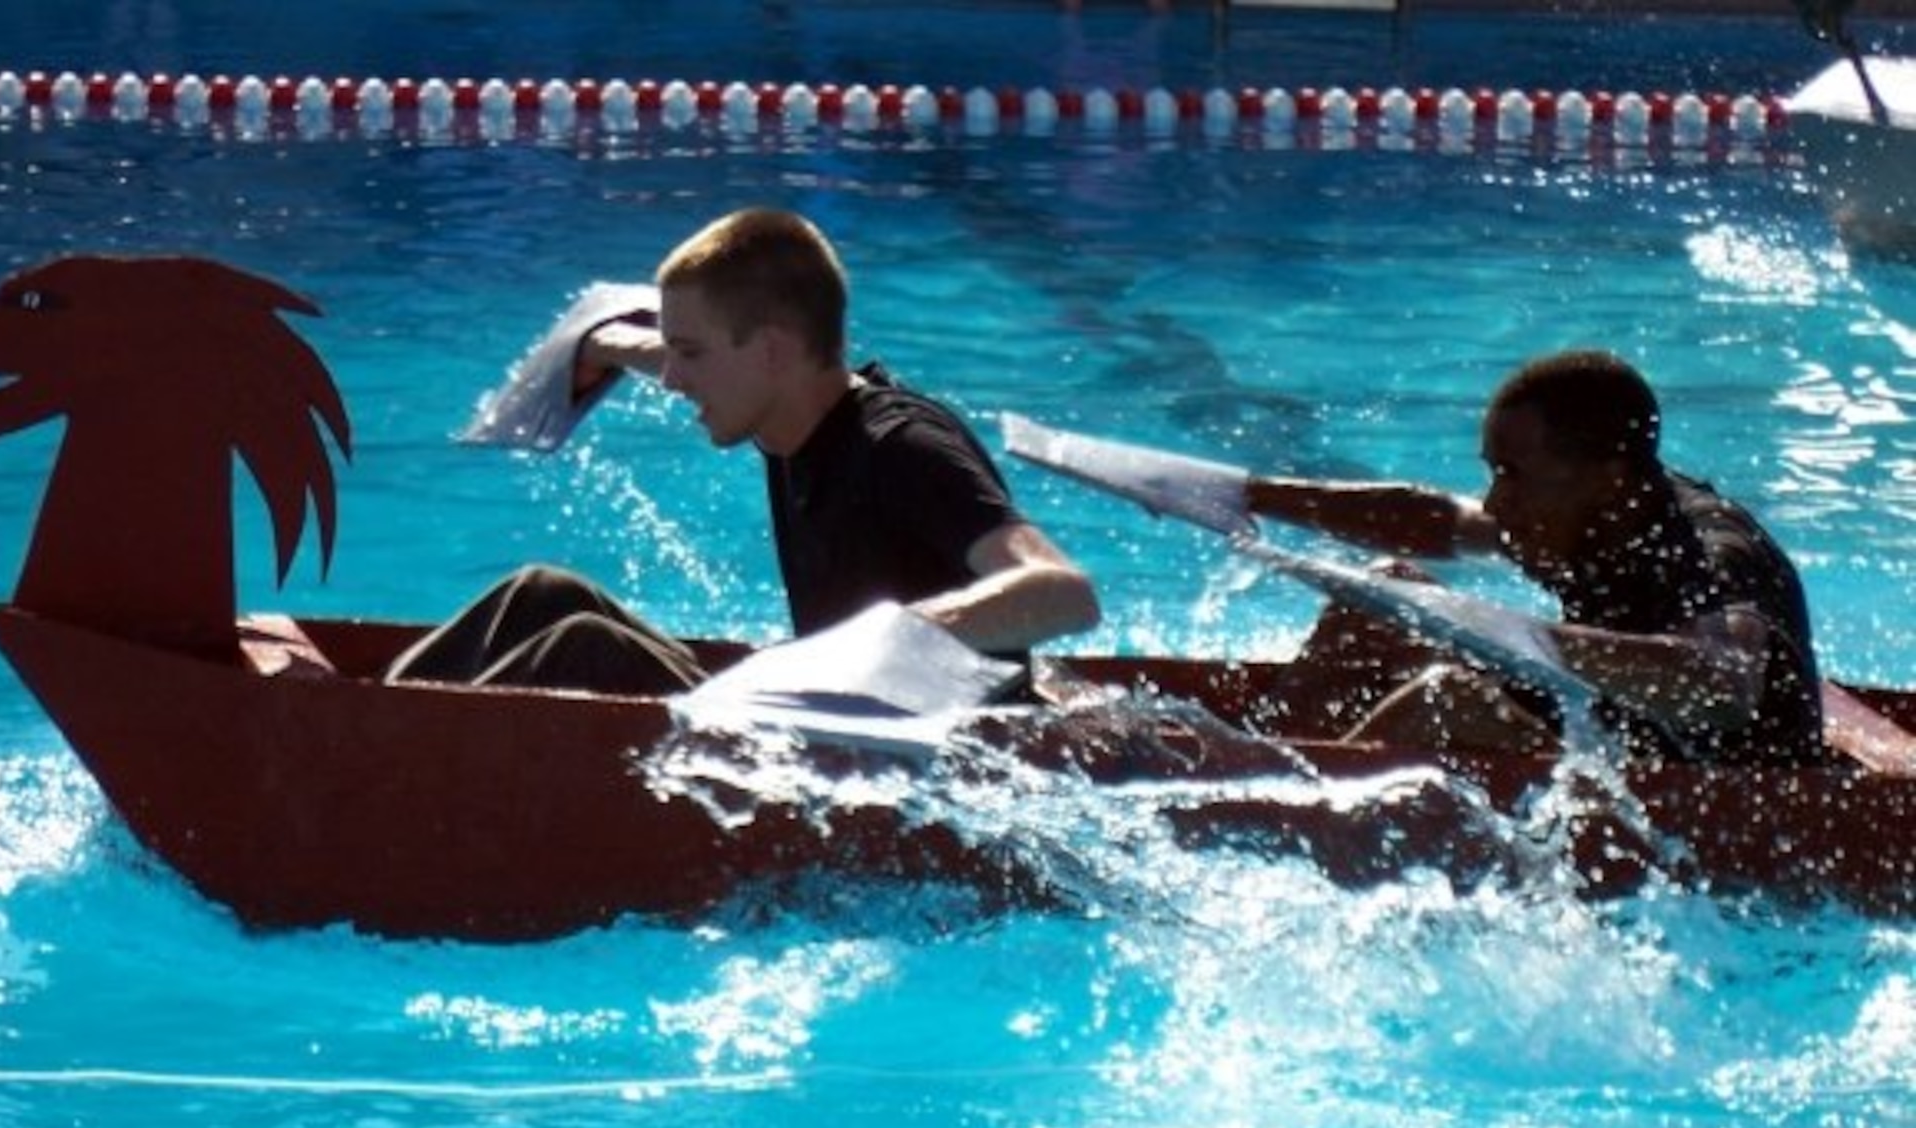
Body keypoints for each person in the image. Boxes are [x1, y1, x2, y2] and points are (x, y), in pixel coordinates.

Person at [387, 207, 1100, 694]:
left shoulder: (902, 447)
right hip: (808, 712)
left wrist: (885, 640)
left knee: (584, 649)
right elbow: (665, 352)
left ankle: (380, 776)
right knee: (541, 593)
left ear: (770, 351)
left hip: (913, 759)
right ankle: (373, 718)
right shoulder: (786, 404)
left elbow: (1065, 593)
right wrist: (600, 342)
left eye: (689, 353)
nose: (673, 377)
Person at [1245, 349, 1826, 766]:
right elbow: (1432, 521)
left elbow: (1724, 688)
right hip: (1615, 731)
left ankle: (1297, 813)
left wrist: (1518, 636)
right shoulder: (1586, 510)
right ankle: (1262, 766)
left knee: (1446, 700)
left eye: (1512, 474)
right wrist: (1246, 495)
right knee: (1382, 594)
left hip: (1730, 795)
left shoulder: (1714, 552)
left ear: (1608, 477)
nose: (1496, 501)